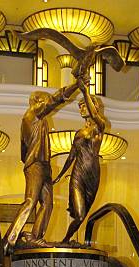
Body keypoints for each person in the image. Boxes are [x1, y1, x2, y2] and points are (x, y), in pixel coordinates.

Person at [2, 79, 84, 253]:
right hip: (36, 165)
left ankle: (35, 237)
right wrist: (76, 85)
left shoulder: (40, 120)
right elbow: (55, 99)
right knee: (30, 201)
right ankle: (9, 240)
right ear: (37, 102)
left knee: (48, 204)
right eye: (45, 101)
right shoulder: (31, 115)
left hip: (44, 165)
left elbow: (23, 149)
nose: (48, 104)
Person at [53, 80, 105, 243]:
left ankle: (66, 241)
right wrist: (60, 175)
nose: (81, 108)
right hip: (77, 174)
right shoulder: (79, 133)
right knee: (80, 213)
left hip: (93, 174)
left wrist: (85, 91)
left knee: (83, 215)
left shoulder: (99, 125)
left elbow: (95, 115)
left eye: (84, 105)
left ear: (93, 107)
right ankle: (65, 240)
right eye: (80, 106)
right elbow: (71, 156)